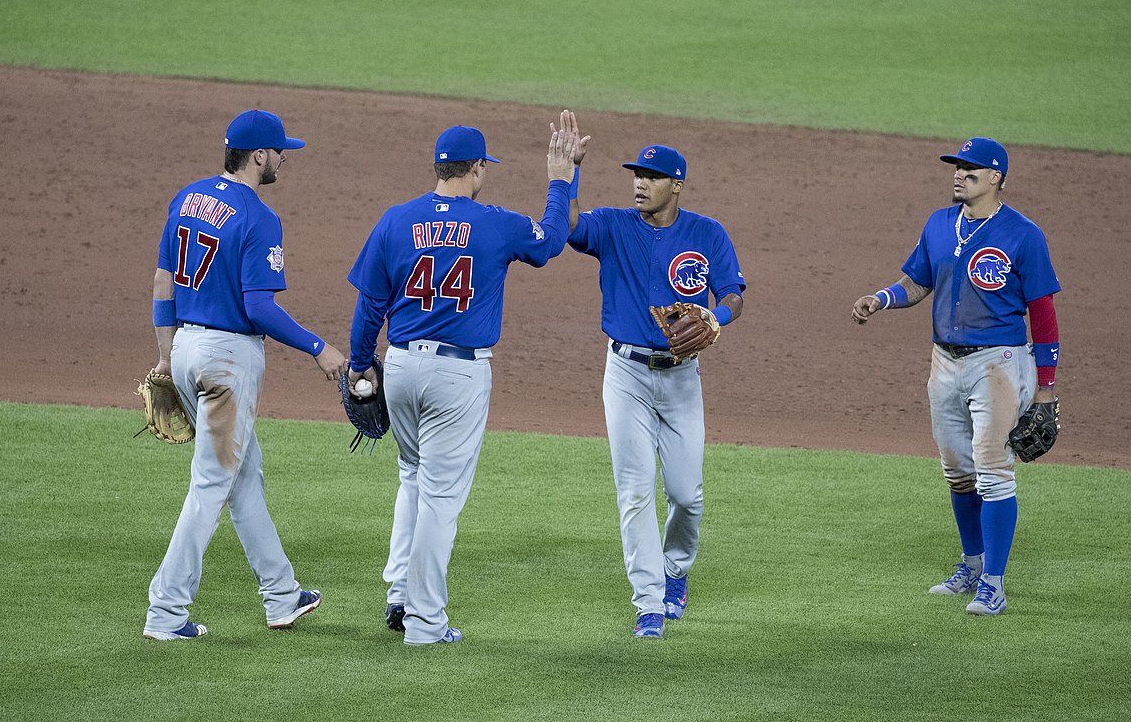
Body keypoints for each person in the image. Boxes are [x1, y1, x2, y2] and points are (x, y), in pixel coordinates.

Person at [346, 120, 579, 645]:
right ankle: (425, 622)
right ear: (477, 169)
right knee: (441, 497)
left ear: (437, 167)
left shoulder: (396, 219)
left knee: (412, 474)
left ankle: (399, 593)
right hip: (457, 374)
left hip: (400, 365)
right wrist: (562, 180)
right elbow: (551, 242)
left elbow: (369, 305)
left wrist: (362, 362)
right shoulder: (493, 222)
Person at [143, 109, 347, 640]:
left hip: (186, 347)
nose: (284, 159)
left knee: (242, 476)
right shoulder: (258, 217)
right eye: (280, 151)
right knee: (211, 484)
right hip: (227, 362)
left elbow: (164, 281)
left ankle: (281, 595)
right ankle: (165, 613)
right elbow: (258, 308)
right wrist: (318, 347)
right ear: (258, 156)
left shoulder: (188, 198)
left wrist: (166, 357)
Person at [851, 137, 1061, 616]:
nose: (959, 174)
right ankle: (971, 564)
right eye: (956, 167)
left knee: (993, 470)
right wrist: (880, 299)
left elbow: (1044, 315)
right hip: (943, 361)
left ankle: (994, 583)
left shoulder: (1022, 234)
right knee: (957, 471)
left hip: (998, 364)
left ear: (996, 178)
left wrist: (1046, 389)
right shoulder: (940, 224)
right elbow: (917, 281)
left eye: (970, 169)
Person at [564, 112, 746, 638]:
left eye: (651, 177)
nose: (640, 184)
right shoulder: (614, 225)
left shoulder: (707, 233)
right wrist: (570, 173)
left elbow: (733, 293)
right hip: (624, 374)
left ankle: (674, 571)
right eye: (636, 176)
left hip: (682, 377)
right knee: (636, 489)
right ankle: (648, 601)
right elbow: (571, 225)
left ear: (677, 185)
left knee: (688, 495)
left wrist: (718, 317)